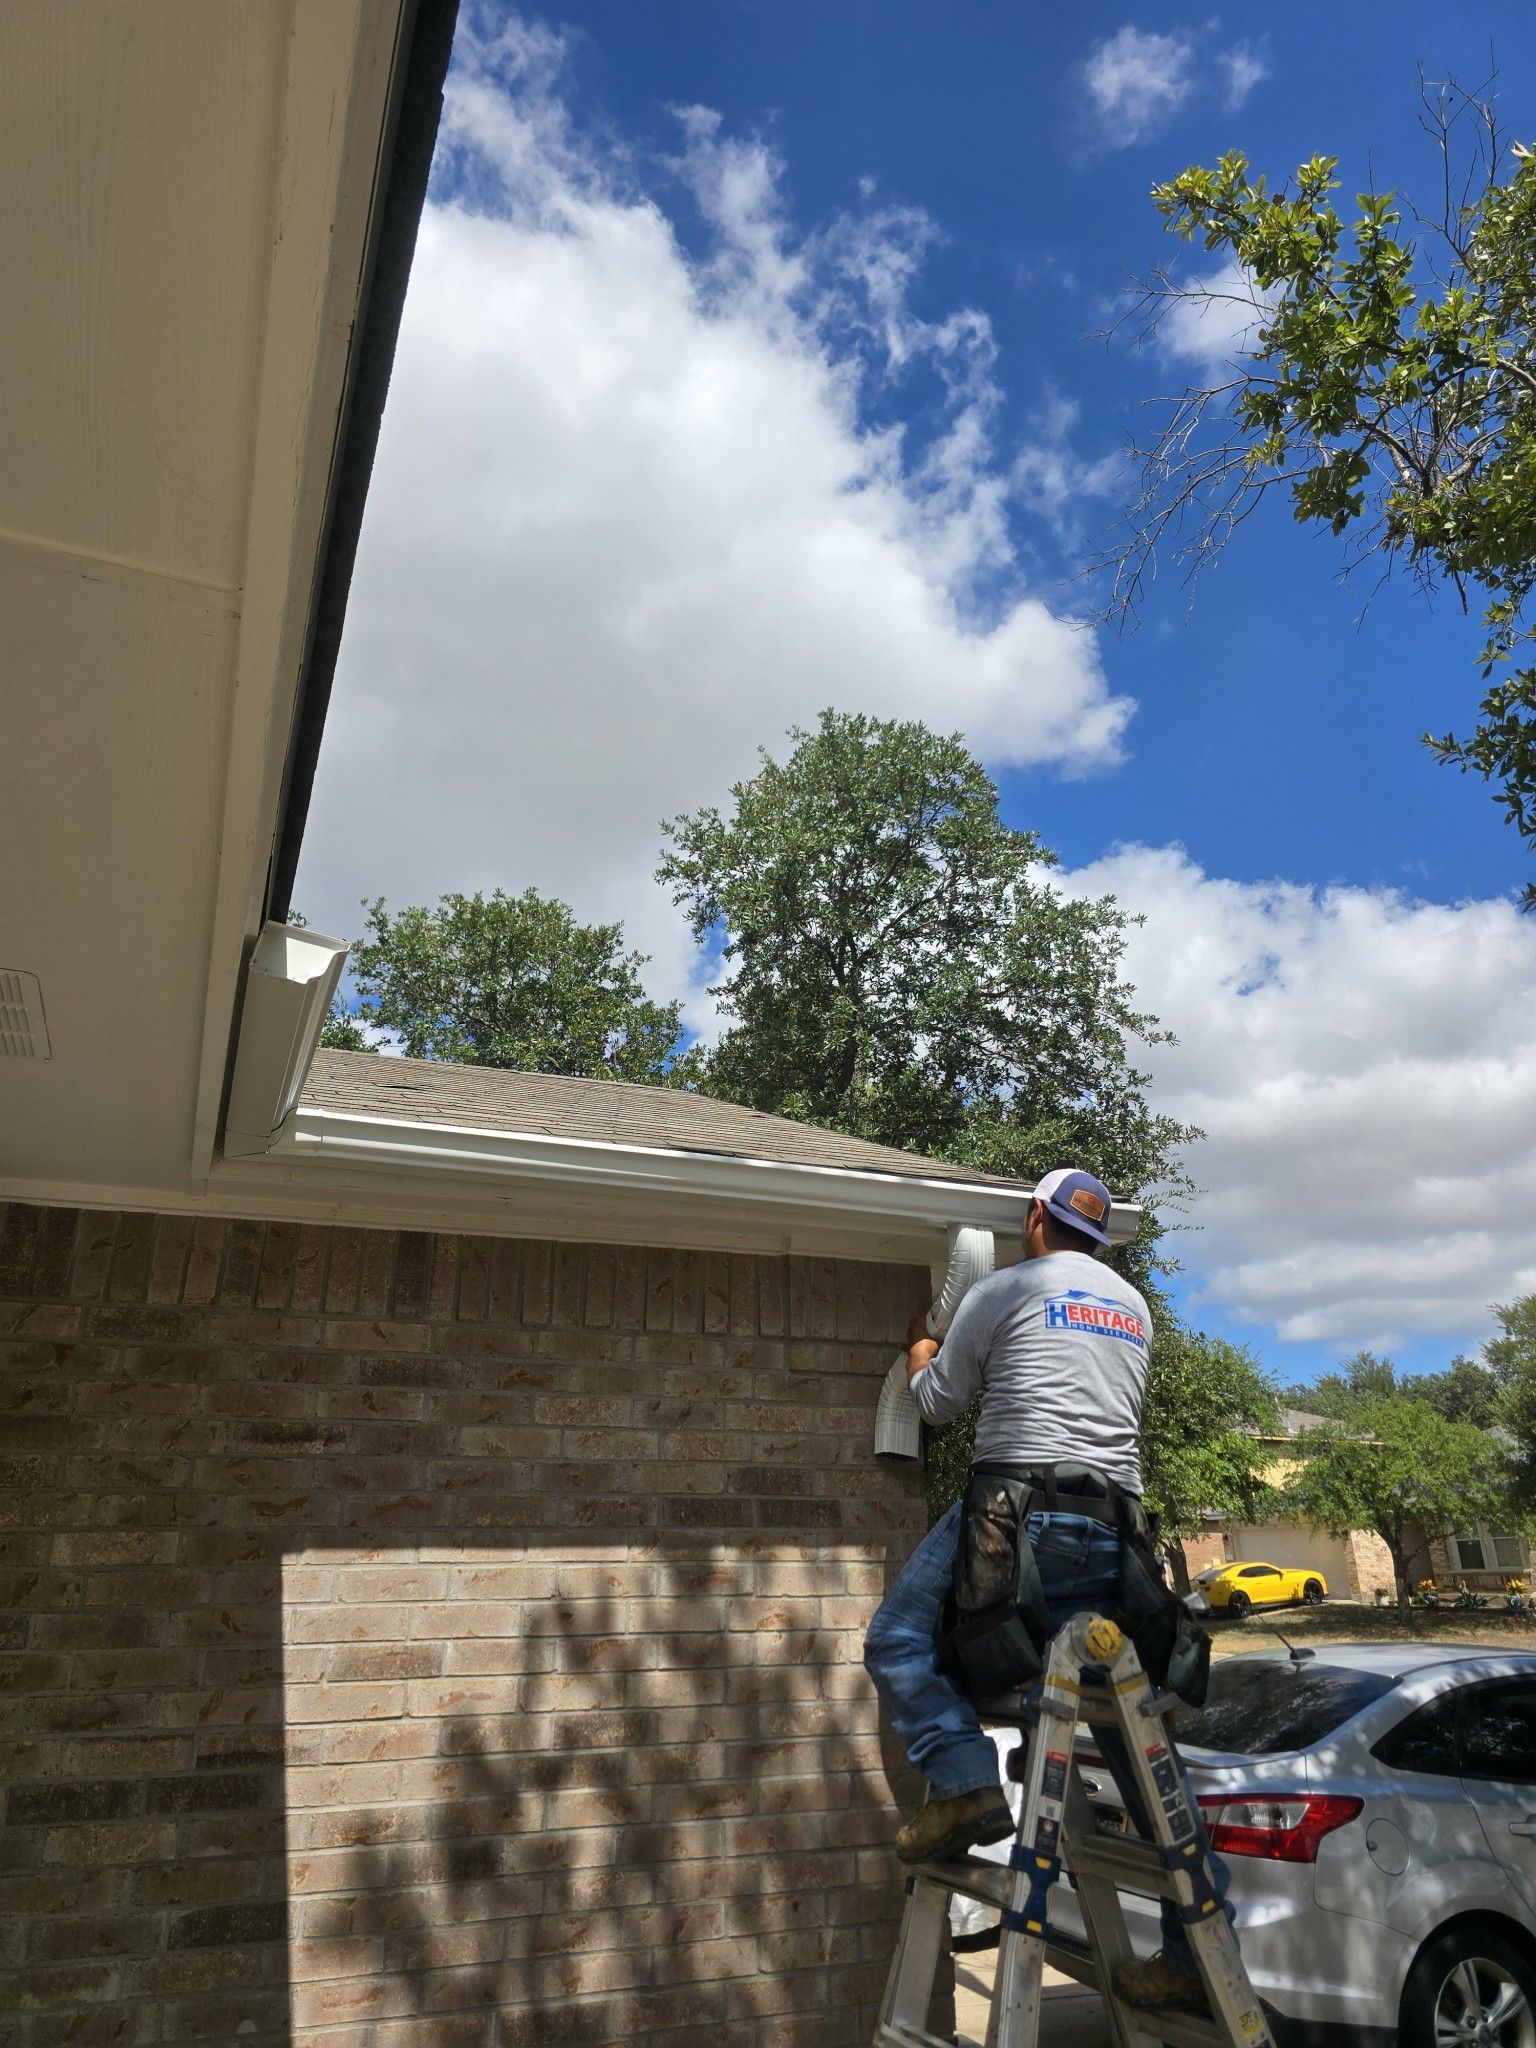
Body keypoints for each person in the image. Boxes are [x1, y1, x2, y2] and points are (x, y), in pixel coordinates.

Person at [862, 1166, 1231, 2021]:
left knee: (899, 1642)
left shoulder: (1007, 1287)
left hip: (1016, 1515)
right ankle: (1191, 1955)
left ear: (1034, 1218)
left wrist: (922, 1344)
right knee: (1130, 1731)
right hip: (1114, 1533)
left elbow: (941, 1401)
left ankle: (966, 1785)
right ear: (1097, 1236)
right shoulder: (1133, 1308)